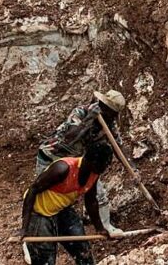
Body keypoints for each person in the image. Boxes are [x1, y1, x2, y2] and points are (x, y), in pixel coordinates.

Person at [35, 90, 126, 238]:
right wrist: (89, 120)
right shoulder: (81, 112)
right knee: (44, 194)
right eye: (108, 111)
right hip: (52, 155)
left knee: (98, 193)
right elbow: (69, 137)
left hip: (77, 161)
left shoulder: (109, 125)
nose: (111, 116)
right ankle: (35, 233)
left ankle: (105, 226)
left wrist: (132, 168)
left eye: (113, 114)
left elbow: (118, 147)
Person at [21, 142, 116, 265]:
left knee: (83, 250)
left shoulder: (94, 173)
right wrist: (25, 228)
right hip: (39, 212)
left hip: (61, 209)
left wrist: (100, 228)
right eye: (103, 165)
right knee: (44, 259)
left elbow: (91, 200)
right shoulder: (63, 169)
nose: (105, 169)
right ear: (92, 162)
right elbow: (33, 190)